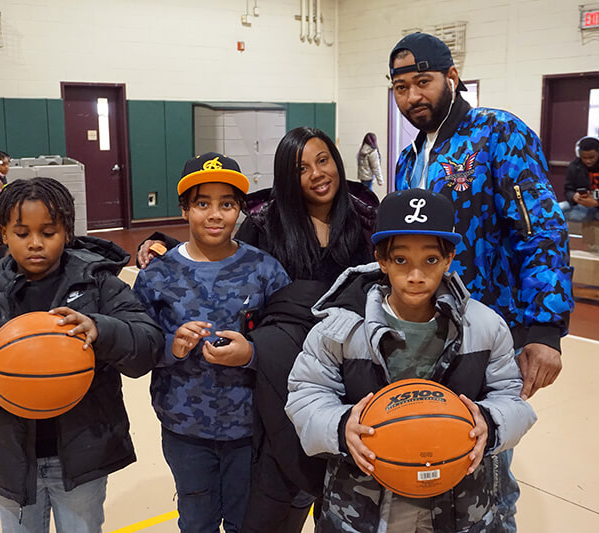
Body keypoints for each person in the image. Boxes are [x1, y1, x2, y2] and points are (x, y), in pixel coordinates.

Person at [136, 128, 378, 532]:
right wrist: (162, 247)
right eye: (301, 168)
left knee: (345, 499)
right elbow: (212, 255)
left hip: (349, 378)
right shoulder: (267, 227)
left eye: (323, 160)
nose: (317, 174)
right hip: (276, 389)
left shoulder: (366, 218)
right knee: (277, 499)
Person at [388, 31, 571, 531]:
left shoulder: (499, 133)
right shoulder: (408, 158)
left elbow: (540, 229)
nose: (412, 97)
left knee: (486, 469)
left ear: (452, 77)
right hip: (422, 336)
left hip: (490, 336)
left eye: (423, 82)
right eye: (401, 88)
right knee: (431, 456)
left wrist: (545, 330)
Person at [285, 188, 537, 532]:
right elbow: (305, 395)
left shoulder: (484, 326)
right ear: (381, 259)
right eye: (401, 260)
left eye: (430, 260)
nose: (415, 275)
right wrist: (340, 427)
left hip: (459, 503)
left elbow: (511, 399)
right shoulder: (340, 328)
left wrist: (490, 424)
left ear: (449, 259)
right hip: (362, 505)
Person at [0, 177, 164, 533]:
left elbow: (147, 344)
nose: (35, 243)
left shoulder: (99, 286)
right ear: (3, 233)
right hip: (12, 460)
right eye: (22, 233)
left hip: (82, 454)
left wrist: (101, 330)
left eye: (48, 232)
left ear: (67, 232)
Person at [131, 152, 292, 533]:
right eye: (202, 204)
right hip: (184, 427)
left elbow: (289, 340)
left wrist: (252, 353)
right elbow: (136, 344)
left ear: (240, 211)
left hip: (249, 427)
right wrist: (171, 346)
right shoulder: (157, 275)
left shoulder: (265, 270)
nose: (215, 215)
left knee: (245, 522)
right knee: (196, 521)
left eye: (227, 204)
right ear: (184, 210)